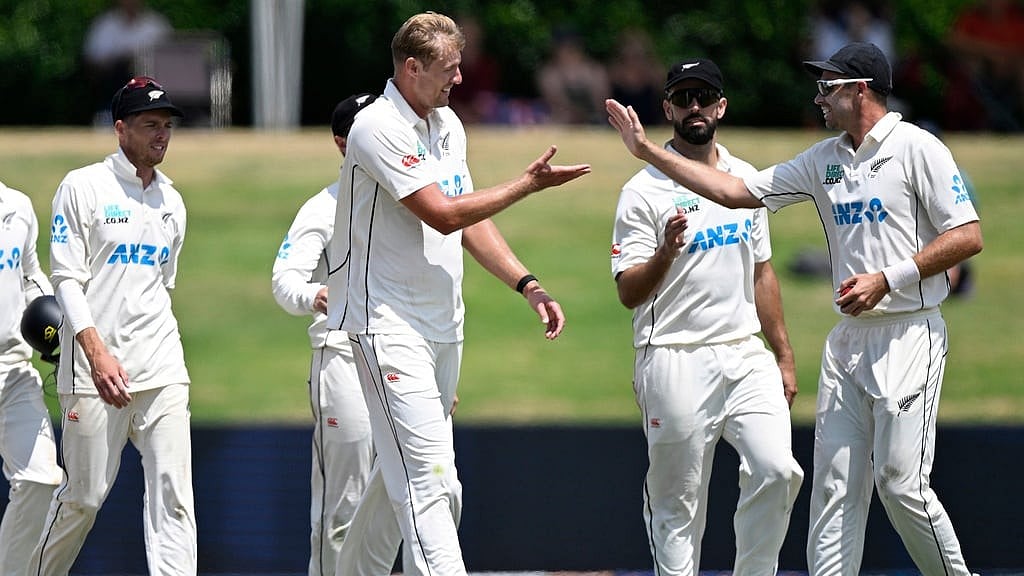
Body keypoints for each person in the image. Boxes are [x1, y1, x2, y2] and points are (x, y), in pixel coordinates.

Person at [607, 41, 983, 576]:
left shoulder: (918, 148)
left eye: (827, 88)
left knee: (899, 484)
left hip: (909, 332)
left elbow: (968, 235)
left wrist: (888, 279)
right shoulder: (823, 159)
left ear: (860, 91)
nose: (817, 99)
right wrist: (647, 153)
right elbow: (735, 193)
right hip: (846, 340)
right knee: (832, 490)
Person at [326, 12, 590, 575]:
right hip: (385, 323)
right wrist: (527, 184)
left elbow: (469, 220)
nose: (461, 80)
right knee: (432, 483)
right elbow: (443, 215)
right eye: (449, 70)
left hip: (442, 326)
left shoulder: (447, 124)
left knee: (398, 476)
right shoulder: (377, 127)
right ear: (412, 67)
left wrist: (527, 283)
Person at [611, 58, 803, 575]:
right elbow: (629, 292)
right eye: (683, 97)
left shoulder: (746, 180)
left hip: (745, 353)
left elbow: (763, 273)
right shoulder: (643, 190)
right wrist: (664, 254)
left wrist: (783, 356)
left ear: (721, 106)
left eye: (704, 96)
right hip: (673, 355)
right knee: (678, 504)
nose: (694, 106)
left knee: (778, 471)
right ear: (668, 107)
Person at [29, 76, 197, 575]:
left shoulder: (173, 202)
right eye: (150, 125)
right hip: (93, 367)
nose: (161, 135)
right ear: (120, 129)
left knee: (174, 495)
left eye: (166, 126)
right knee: (83, 497)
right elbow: (66, 278)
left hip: (162, 365)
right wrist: (96, 352)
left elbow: (160, 288)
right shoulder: (83, 186)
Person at [272, 92, 408, 576]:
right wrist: (320, 296)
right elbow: (285, 280)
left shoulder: (410, 197)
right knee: (343, 504)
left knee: (410, 495)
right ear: (341, 143)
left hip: (400, 358)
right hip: (343, 358)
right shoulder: (323, 207)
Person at [0, 181, 63, 576]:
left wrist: (47, 309)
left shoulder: (16, 207)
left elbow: (30, 273)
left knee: (42, 479)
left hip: (13, 369)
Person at [83, 0, 173, 126]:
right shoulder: (105, 24)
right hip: (113, 76)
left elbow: (168, 59)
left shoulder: (155, 24)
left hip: (151, 77)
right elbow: (93, 58)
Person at [536, 26, 611, 125]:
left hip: (596, 122)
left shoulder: (595, 71)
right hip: (563, 122)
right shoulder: (549, 74)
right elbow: (558, 105)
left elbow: (602, 105)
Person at [607, 29, 665, 126]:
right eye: (629, 54)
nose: (633, 59)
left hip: (652, 127)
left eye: (637, 55)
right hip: (618, 127)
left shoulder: (656, 76)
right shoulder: (613, 76)